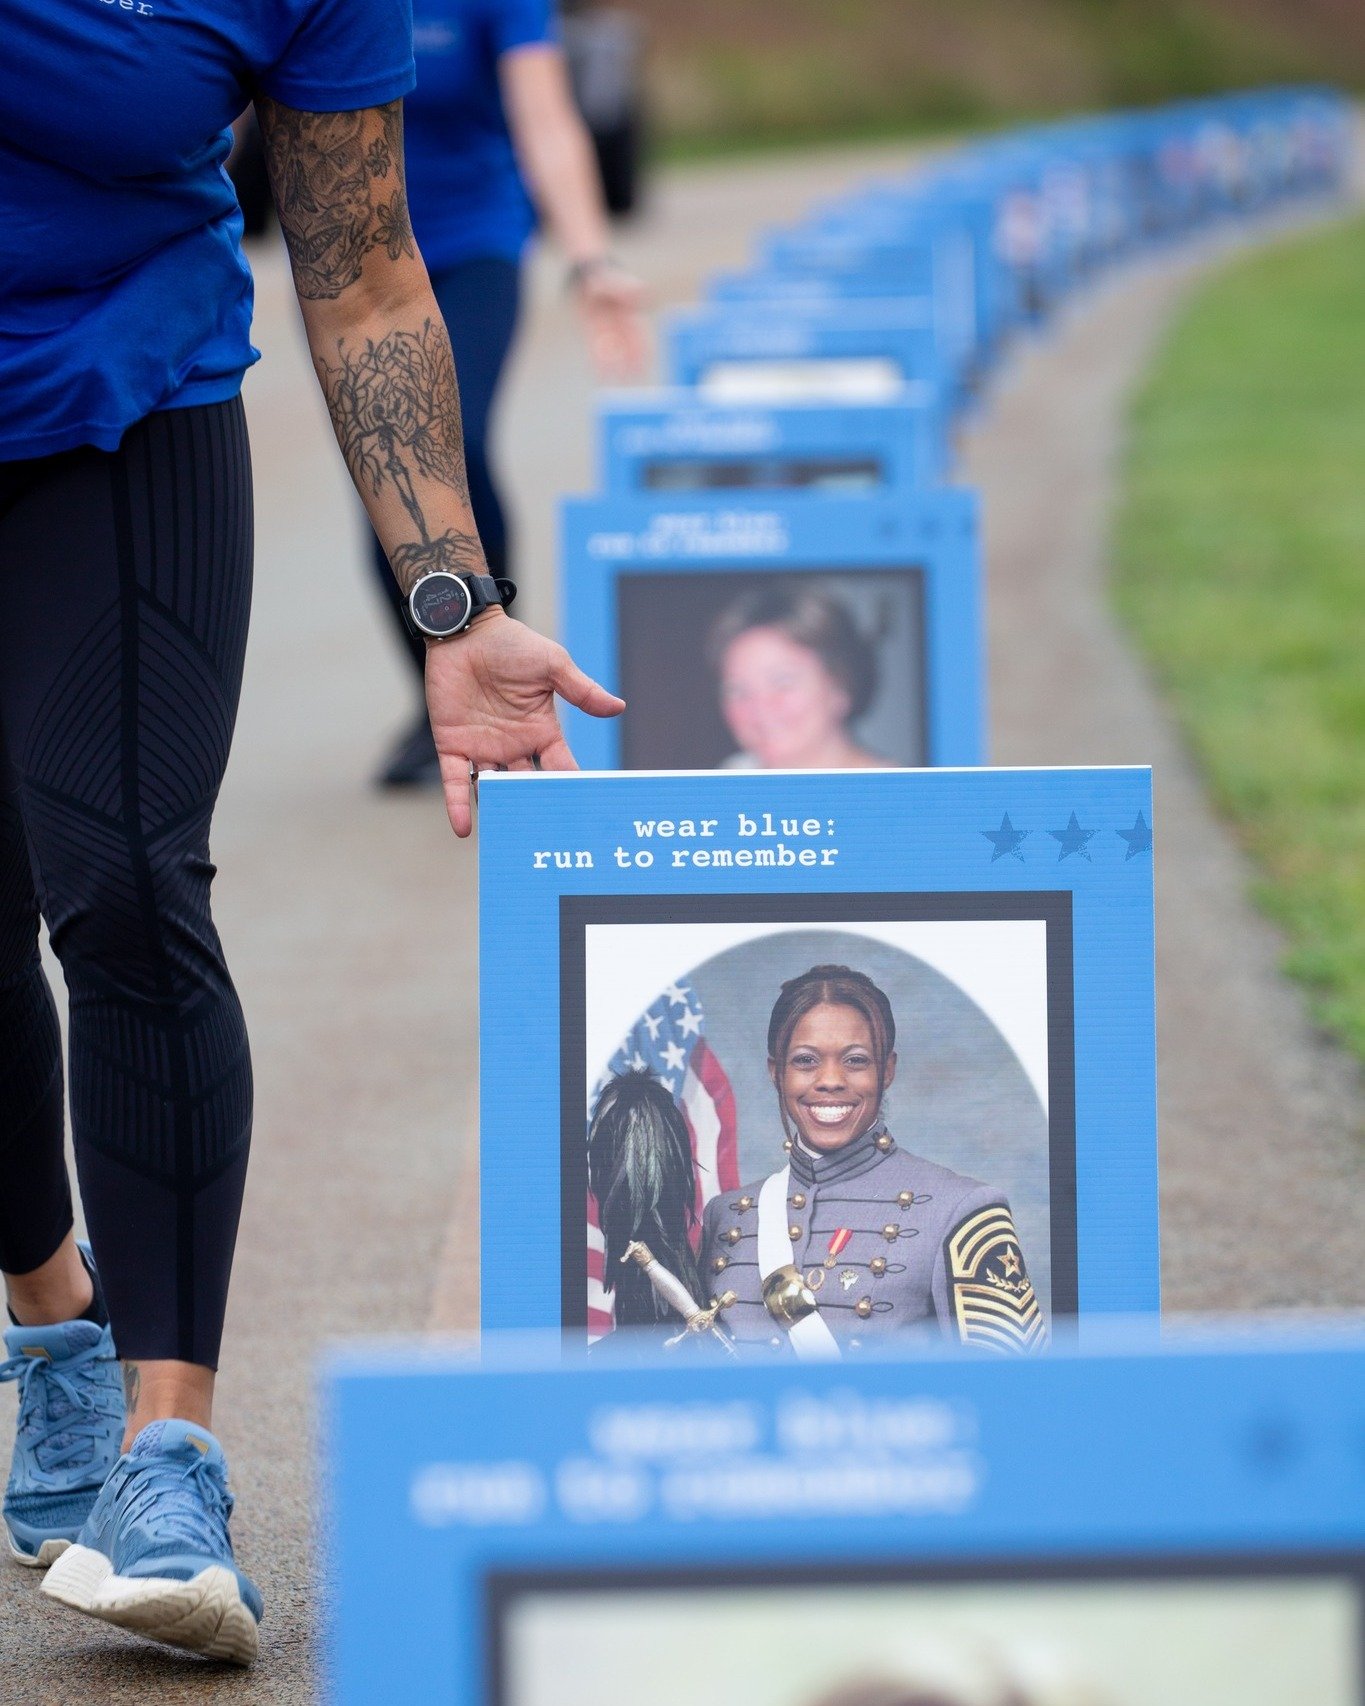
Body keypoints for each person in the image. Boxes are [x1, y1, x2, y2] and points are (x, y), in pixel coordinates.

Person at [0, 0, 620, 1667]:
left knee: (130, 883)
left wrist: (454, 601)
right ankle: (55, 1311)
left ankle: (166, 1452)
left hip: (118, 405)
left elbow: (360, 271)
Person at [370, 0, 649, 787]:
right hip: (354, 265)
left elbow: (546, 121)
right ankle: (437, 690)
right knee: (383, 484)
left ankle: (491, 656)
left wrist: (590, 260)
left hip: (473, 244)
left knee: (448, 446)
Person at [699, 966, 1045, 1357]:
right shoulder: (726, 1216)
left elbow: (1017, 1384)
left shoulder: (961, 1211)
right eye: (806, 1061)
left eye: (856, 1060)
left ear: (887, 1070)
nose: (830, 1079)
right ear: (776, 1073)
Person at [708, 588, 886, 771]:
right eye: (737, 691)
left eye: (782, 682)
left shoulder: (889, 786)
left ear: (840, 686)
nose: (759, 709)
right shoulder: (732, 774)